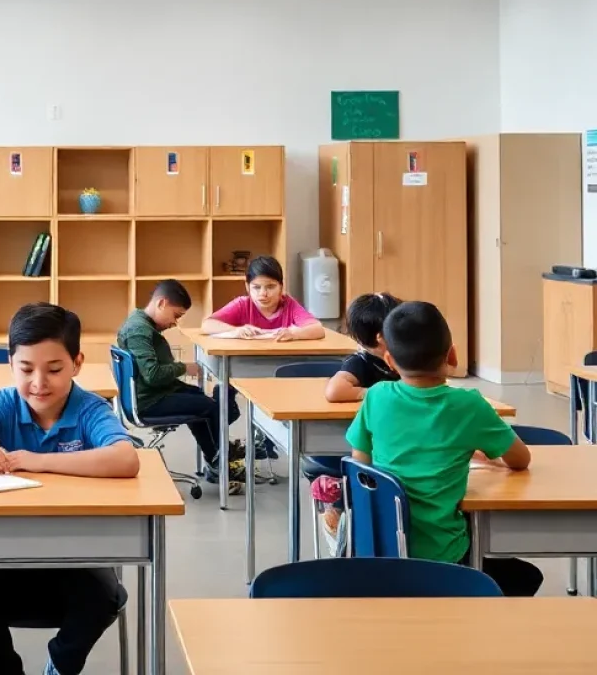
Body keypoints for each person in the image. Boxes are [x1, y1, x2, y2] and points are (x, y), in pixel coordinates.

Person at [0, 302, 138, 675]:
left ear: (77, 363)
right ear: (11, 363)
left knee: (104, 597)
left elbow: (125, 459)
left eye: (54, 369)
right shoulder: (4, 403)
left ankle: (59, 665)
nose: (39, 383)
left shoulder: (90, 409)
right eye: (26, 369)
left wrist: (35, 459)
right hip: (2, 553)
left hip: (76, 554)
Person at [346, 300, 542, 597]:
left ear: (389, 360)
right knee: (527, 577)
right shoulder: (468, 405)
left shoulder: (376, 396)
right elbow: (520, 459)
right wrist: (488, 458)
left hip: (382, 549)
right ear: (452, 354)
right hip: (445, 556)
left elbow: (360, 464)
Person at [116, 279, 245, 491]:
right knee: (211, 407)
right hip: (149, 401)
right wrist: (184, 367)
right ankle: (220, 460)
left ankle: (220, 455)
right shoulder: (139, 331)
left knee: (203, 401)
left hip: (154, 393)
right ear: (161, 304)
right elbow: (154, 375)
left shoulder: (141, 323)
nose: (175, 323)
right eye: (176, 315)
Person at [201, 256, 325, 341]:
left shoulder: (289, 304)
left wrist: (294, 334)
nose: (263, 294)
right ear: (247, 287)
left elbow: (318, 329)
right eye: (256, 287)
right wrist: (236, 330)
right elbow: (207, 325)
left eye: (270, 287)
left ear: (281, 287)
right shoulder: (242, 304)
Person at [324, 292, 401, 403]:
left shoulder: (410, 352)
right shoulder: (361, 361)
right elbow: (334, 391)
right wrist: (381, 394)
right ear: (380, 337)